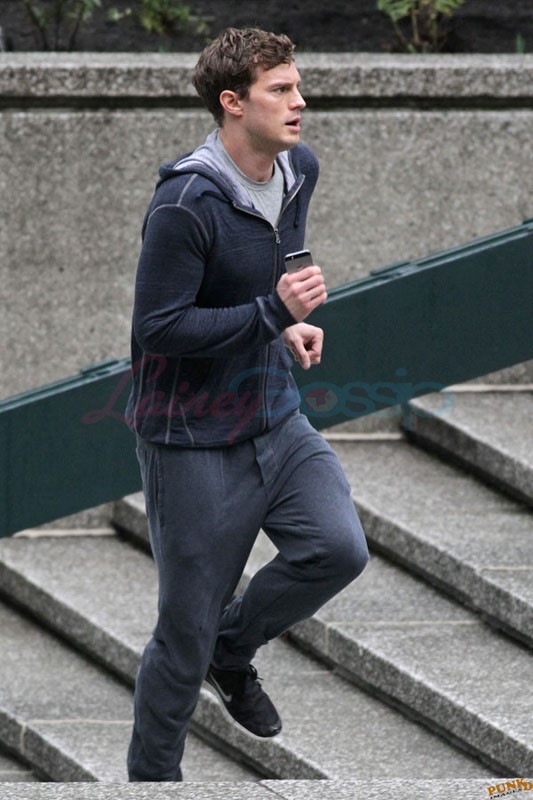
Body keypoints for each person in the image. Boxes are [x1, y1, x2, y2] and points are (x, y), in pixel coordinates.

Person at [125, 26, 369, 782]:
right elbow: (159, 328)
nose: (300, 102)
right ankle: (151, 786)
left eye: (298, 85)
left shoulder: (298, 168)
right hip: (191, 440)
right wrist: (271, 313)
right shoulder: (185, 203)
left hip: (273, 414)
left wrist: (284, 322)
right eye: (281, 90)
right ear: (233, 103)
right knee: (183, 635)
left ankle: (233, 650)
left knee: (337, 548)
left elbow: (275, 257)